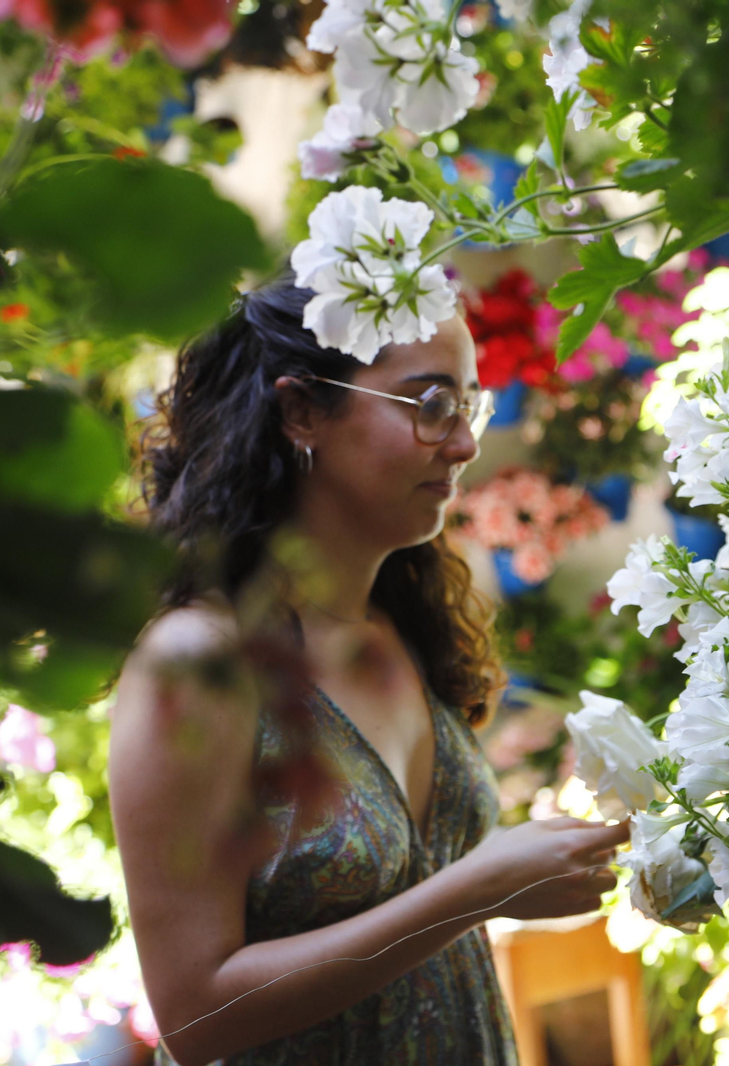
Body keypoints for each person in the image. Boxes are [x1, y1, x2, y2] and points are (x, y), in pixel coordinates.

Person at [109, 273, 629, 1066]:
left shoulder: (398, 625)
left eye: (469, 406)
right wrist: (479, 890)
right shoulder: (200, 663)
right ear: (300, 411)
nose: (463, 444)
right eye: (429, 406)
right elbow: (194, 1013)